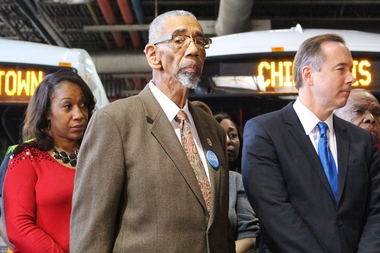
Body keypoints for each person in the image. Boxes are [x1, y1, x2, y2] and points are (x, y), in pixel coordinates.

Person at [70, 10, 234, 253]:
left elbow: (217, 226)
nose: (194, 50)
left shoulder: (212, 129)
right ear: (153, 55)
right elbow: (91, 232)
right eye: (179, 40)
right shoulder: (115, 122)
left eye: (200, 41)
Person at [242, 33, 380, 252]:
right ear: (309, 75)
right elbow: (275, 213)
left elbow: (376, 212)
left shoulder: (361, 140)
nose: (351, 78)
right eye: (341, 69)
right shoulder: (265, 132)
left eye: (351, 69)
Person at [2, 69, 96, 253]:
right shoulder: (27, 157)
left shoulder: (99, 153)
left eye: (83, 104)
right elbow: (19, 227)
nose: (79, 114)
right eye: (67, 106)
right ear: (47, 112)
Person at [214, 112, 259, 253]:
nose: (228, 141)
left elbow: (250, 236)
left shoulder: (239, 179)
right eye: (220, 135)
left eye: (233, 135)